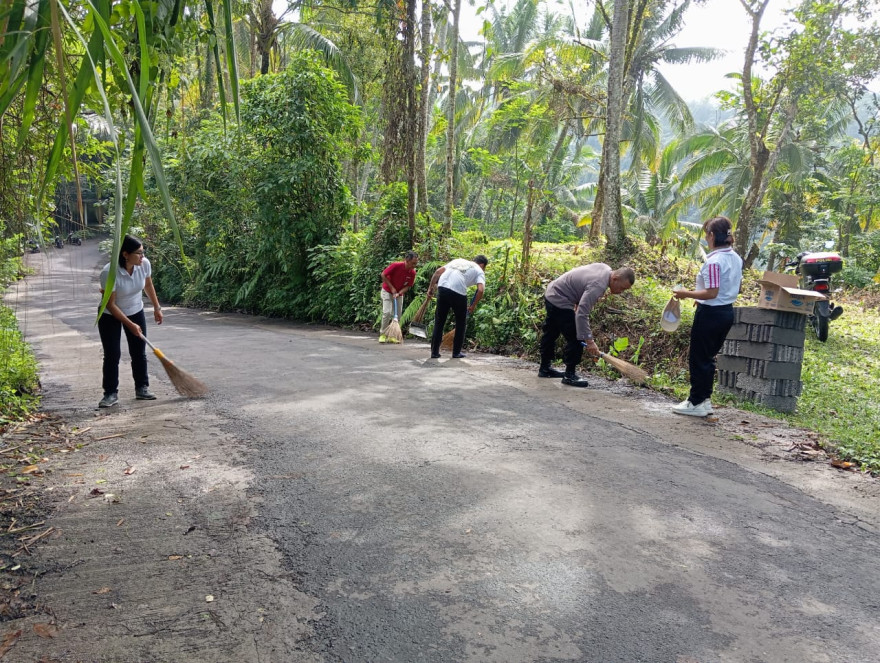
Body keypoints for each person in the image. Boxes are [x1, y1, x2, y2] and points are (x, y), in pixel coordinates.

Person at [671, 216, 743, 416]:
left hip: (710, 314)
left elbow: (712, 292)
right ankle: (704, 400)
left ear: (711, 236)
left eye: (706, 235)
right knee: (708, 358)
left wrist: (686, 293)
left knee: (698, 358)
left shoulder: (714, 261)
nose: (706, 238)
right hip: (726, 312)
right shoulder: (735, 258)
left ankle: (695, 402)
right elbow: (725, 288)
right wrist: (699, 297)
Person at [538, 264, 636, 387]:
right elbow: (582, 314)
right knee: (576, 337)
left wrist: (577, 303)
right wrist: (589, 341)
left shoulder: (605, 268)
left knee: (551, 332)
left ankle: (545, 369)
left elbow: (582, 283)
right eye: (622, 288)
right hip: (560, 299)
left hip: (552, 291)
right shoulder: (598, 285)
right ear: (615, 278)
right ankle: (569, 375)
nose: (621, 292)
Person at [97, 235, 163, 408]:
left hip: (135, 309)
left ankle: (142, 388)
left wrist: (157, 308)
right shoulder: (109, 272)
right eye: (139, 253)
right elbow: (110, 305)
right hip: (110, 315)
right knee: (112, 354)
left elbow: (148, 285)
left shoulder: (144, 265)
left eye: (143, 252)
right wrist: (130, 325)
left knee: (138, 351)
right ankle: (110, 393)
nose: (143, 256)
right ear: (125, 254)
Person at [427, 255, 488, 359]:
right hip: (458, 291)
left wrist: (430, 288)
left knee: (439, 321)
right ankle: (456, 353)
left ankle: (434, 352)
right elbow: (481, 290)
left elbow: (437, 272)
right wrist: (473, 305)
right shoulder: (479, 270)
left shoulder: (458, 261)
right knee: (461, 322)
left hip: (442, 287)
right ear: (482, 265)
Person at [379, 251, 418, 343]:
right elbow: (383, 275)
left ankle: (392, 336)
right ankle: (383, 334)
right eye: (413, 263)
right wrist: (392, 288)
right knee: (387, 313)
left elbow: (408, 286)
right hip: (387, 291)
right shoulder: (396, 266)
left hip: (399, 294)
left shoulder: (412, 272)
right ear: (407, 260)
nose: (415, 265)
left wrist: (399, 293)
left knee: (397, 315)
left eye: (416, 263)